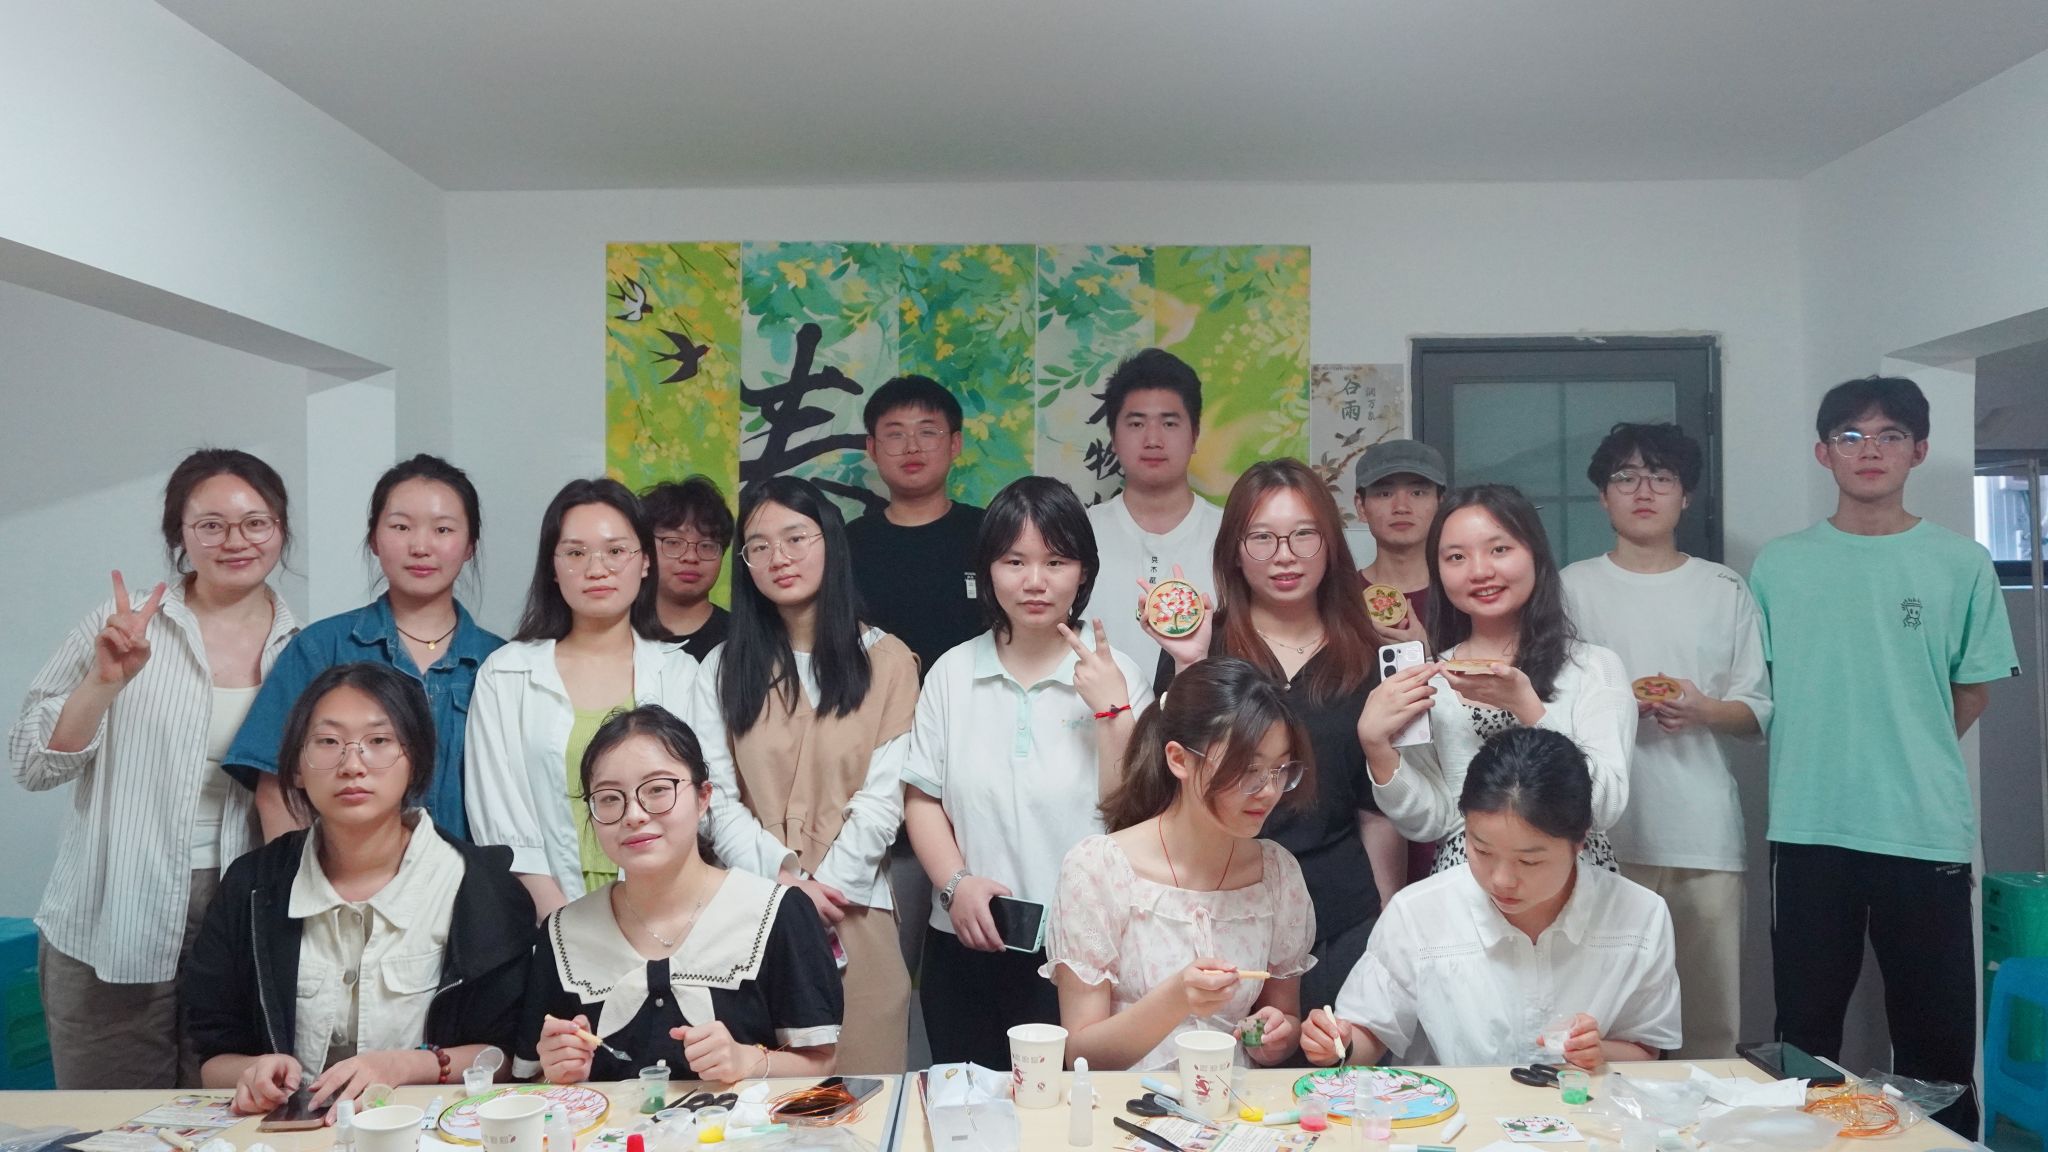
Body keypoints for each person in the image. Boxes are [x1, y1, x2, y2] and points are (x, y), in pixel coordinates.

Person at [1751, 376, 2018, 1136]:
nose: (1870, 450)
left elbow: (1972, 689)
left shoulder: (1961, 562)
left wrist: (1904, 748)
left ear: (1919, 451)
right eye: (1851, 436)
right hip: (1809, 826)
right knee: (1805, 1035)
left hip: (1923, 827)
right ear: (1823, 453)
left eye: (1890, 435)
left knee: (1936, 1041)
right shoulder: (1779, 565)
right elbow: (1759, 689)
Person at [9, 449, 300, 1090]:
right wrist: (103, 682)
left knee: (223, 1110)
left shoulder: (302, 646)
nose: (236, 541)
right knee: (109, 1118)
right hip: (111, 906)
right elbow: (31, 765)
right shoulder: (123, 624)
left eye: (256, 523)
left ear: (280, 529)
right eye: (211, 525)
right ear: (180, 534)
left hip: (238, 910)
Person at [185, 663, 533, 1116]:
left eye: (379, 741)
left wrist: (405, 1066)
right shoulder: (251, 888)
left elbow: (508, 1058)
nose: (352, 765)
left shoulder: (482, 888)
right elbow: (211, 1057)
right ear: (296, 767)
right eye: (328, 742)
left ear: (415, 759)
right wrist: (252, 1072)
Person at [904, 477, 1152, 1068]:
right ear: (988, 570)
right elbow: (922, 798)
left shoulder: (1120, 675)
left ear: (1083, 573)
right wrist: (955, 884)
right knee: (968, 1104)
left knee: (1074, 1106)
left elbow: (1134, 814)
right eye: (1015, 561)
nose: (1035, 581)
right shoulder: (951, 673)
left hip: (1087, 953)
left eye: (1056, 561)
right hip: (966, 937)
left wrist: (1112, 710)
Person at [687, 476, 920, 1073]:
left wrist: (825, 890)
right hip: (749, 904)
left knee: (862, 1096)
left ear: (830, 543)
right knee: (751, 1095)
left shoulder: (889, 661)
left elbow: (884, 798)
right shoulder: (722, 666)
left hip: (853, 907)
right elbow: (714, 798)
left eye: (796, 538)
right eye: (759, 546)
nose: (779, 558)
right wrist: (787, 882)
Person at [1142, 459, 1388, 1011]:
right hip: (1218, 908)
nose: (1285, 555)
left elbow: (1377, 807)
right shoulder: (1202, 644)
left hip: (1338, 913)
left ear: (1331, 544)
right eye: (1262, 538)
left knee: (1333, 1062)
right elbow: (1164, 780)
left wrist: (1387, 915)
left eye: (1304, 535)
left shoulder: (1367, 655)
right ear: (1234, 549)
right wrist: (1190, 663)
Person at [1561, 423, 1769, 1059]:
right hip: (1600, 833)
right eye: (1625, 477)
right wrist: (1618, 708)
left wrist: (1703, 709)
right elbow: (1550, 707)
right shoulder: (1570, 587)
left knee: (1710, 1026)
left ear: (1686, 495)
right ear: (1603, 497)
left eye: (1661, 477)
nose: (1643, 490)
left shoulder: (1723, 588)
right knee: (1601, 1027)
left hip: (1702, 833)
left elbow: (1756, 711)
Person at [1302, 727, 1680, 1069]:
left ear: (1580, 841)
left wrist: (1600, 1052)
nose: (1501, 880)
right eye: (1482, 850)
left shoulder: (1639, 916)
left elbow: (1649, 1049)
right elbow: (1370, 1033)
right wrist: (1339, 1044)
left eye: (1529, 861)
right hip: (1454, 1115)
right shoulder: (1418, 912)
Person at [520, 706, 841, 1084]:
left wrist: (748, 1061)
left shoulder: (775, 913)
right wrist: (558, 1071)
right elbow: (532, 1079)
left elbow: (821, 1063)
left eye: (657, 789)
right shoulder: (563, 933)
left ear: (703, 797)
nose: (633, 814)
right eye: (609, 798)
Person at [1044, 657, 1317, 1072]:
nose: (1268, 790)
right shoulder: (1099, 869)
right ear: (1179, 760)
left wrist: (1276, 1035)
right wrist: (1176, 998)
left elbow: (1284, 1016)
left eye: (1280, 770)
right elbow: (1081, 1054)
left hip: (1229, 1101)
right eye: (1248, 769)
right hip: (1127, 1104)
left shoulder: (1277, 874)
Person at [230, 454, 503, 842]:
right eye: (401, 527)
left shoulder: (503, 663)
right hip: (340, 876)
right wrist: (303, 877)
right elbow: (277, 791)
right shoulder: (321, 648)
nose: (420, 546)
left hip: (470, 875)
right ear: (374, 539)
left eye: (443, 529)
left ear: (470, 545)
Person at [1360, 484, 1634, 871]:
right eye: (1456, 557)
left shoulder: (1594, 668)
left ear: (1535, 553)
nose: (1480, 571)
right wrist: (1377, 749)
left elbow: (1604, 808)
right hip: (1464, 885)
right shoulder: (1430, 678)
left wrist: (1528, 708)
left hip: (1572, 880)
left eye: (1499, 549)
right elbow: (1430, 821)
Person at [466, 478, 699, 920]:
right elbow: (498, 814)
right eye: (575, 553)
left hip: (665, 910)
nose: (597, 569)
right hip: (543, 912)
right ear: (552, 568)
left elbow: (700, 805)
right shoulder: (506, 673)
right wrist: (562, 924)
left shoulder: (681, 674)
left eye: (616, 551)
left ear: (645, 562)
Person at [1088, 349, 1225, 659]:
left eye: (1169, 424)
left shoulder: (1231, 534)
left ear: (1195, 435)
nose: (1153, 440)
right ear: (1113, 437)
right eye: (1136, 424)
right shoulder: (1078, 534)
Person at [845, 375, 986, 677]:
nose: (912, 447)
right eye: (895, 434)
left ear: (955, 443)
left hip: (975, 700)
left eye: (927, 432)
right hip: (876, 703)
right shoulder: (848, 543)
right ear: (872, 448)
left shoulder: (991, 533)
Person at [1353, 439, 1447, 649]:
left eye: (1417, 493)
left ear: (1440, 504)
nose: (1401, 507)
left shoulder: (1461, 592)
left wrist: (1429, 654)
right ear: (1361, 507)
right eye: (1385, 494)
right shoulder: (1340, 595)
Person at [643, 476, 734, 662]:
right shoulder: (618, 631)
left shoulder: (741, 638)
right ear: (645, 549)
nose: (691, 557)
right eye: (673, 542)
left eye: (707, 545)